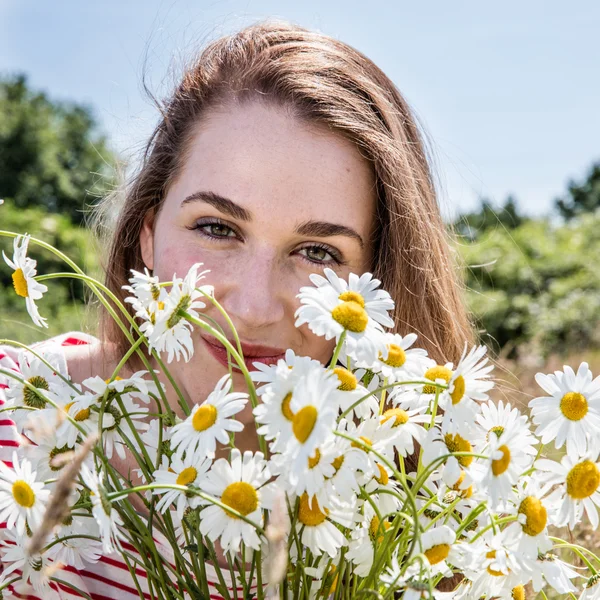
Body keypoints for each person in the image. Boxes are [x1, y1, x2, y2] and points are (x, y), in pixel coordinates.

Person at [0, 18, 473, 599]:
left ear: (379, 281)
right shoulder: (16, 415)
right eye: (217, 227)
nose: (250, 307)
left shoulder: (411, 523)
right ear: (148, 234)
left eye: (319, 252)